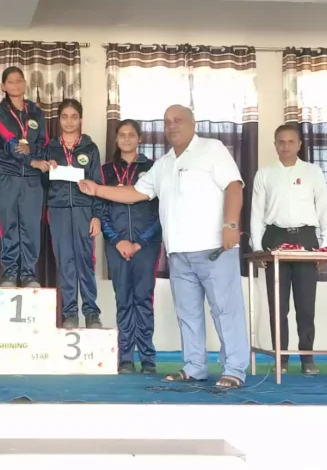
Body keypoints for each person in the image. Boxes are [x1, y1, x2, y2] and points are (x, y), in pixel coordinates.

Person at [79, 104, 249, 388]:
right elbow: (134, 192)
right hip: (178, 254)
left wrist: (231, 224)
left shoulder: (212, 148)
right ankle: (195, 366)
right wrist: (97, 189)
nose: (172, 126)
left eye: (178, 120)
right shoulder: (164, 164)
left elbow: (234, 186)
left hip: (214, 249)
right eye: (167, 121)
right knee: (187, 313)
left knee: (225, 310)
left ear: (193, 122)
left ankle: (234, 369)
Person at [250, 124, 327, 375]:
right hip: (275, 238)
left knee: (306, 303)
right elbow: (256, 213)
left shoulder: (313, 172)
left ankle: (306, 358)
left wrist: (325, 247)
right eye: (281, 142)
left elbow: (324, 208)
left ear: (299, 144)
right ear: (275, 144)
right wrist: (257, 248)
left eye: (290, 142)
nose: (285, 146)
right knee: (278, 305)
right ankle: (281, 359)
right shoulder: (264, 174)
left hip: (306, 238)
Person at [101, 120, 162, 374]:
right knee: (123, 299)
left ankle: (147, 358)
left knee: (143, 300)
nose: (126, 139)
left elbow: (162, 211)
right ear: (116, 139)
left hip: (146, 245)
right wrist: (117, 240)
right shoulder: (105, 171)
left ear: (139, 138)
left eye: (131, 135)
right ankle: (125, 356)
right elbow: (100, 209)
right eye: (122, 135)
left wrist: (140, 242)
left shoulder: (154, 168)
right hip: (116, 245)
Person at [36, 99, 103, 329]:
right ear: (59, 119)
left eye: (74, 116)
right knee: (65, 262)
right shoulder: (51, 148)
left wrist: (96, 215)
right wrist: (47, 167)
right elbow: (43, 183)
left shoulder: (90, 148)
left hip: (84, 210)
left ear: (80, 119)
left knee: (86, 261)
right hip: (58, 211)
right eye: (64, 116)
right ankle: (70, 313)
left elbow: (98, 184)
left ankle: (92, 312)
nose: (69, 121)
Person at [0, 67, 49, 288]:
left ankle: (28, 274)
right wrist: (31, 159)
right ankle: (10, 273)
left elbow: (43, 141)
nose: (15, 85)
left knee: (31, 226)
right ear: (4, 86)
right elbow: (9, 139)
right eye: (10, 81)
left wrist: (34, 156)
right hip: (7, 173)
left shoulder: (36, 112)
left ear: (25, 84)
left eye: (19, 80)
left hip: (32, 178)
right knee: (9, 225)